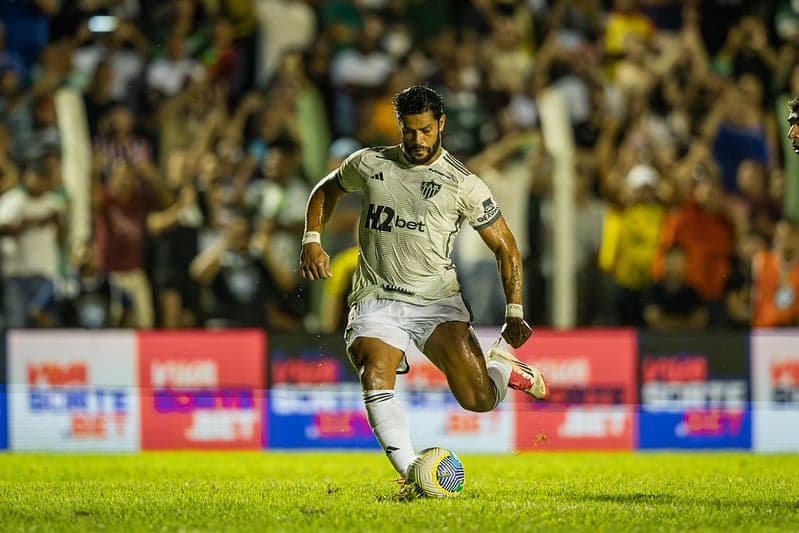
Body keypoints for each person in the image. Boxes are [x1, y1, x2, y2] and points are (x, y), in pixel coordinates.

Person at [299, 85, 548, 488]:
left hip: (437, 302)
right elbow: (325, 190)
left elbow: (506, 247)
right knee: (373, 367)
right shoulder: (370, 163)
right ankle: (413, 474)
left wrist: (514, 310)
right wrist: (312, 239)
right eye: (409, 130)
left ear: (441, 125)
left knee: (478, 399)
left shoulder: (463, 183)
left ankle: (502, 366)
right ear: (400, 126)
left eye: (426, 131)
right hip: (376, 298)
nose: (417, 140)